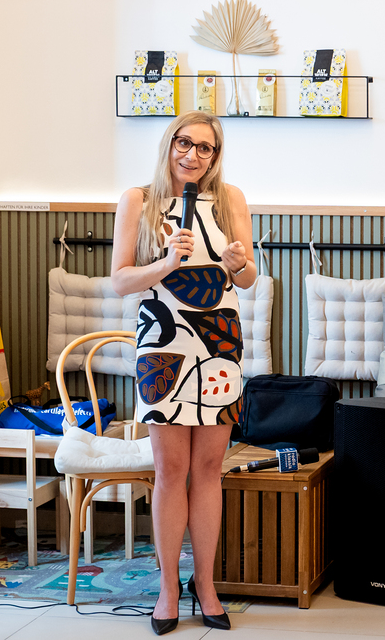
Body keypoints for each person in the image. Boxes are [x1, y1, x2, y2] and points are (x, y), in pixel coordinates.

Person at [111, 110, 256, 635]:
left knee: (209, 469)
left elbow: (249, 278)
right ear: (169, 144)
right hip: (163, 342)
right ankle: (168, 588)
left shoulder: (230, 199)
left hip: (219, 342)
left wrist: (238, 263)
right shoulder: (138, 200)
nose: (193, 155)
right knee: (171, 470)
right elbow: (120, 281)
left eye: (205, 148)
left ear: (215, 156)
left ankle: (206, 585)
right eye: (184, 143)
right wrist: (167, 262)